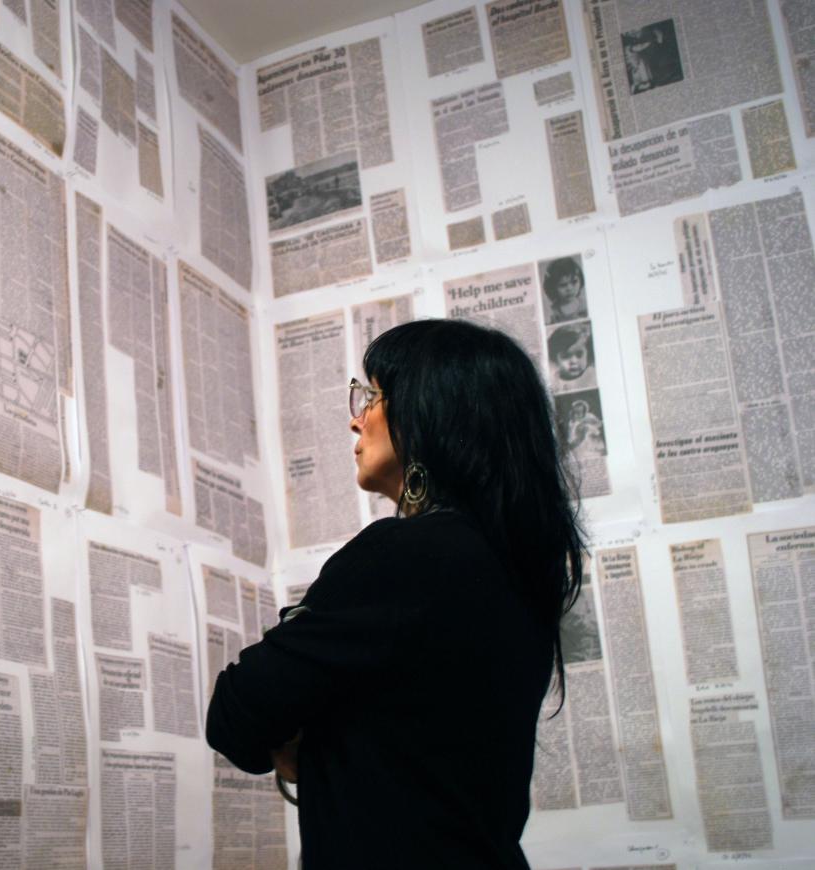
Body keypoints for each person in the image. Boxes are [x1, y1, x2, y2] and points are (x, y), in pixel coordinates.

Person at [207, 319, 585, 868]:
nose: (355, 417)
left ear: (430, 412)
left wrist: (308, 742)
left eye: (373, 396)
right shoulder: (517, 567)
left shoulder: (404, 555)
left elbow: (236, 713)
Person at [547, 322, 596, 391]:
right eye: (565, 356)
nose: (574, 361)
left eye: (579, 354)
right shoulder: (553, 382)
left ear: (587, 353)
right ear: (555, 359)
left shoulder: (593, 375)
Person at [541, 256, 587, 324]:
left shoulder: (585, 306)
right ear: (553, 288)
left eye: (574, 282)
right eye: (563, 285)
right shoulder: (551, 312)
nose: (569, 289)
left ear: (581, 280)